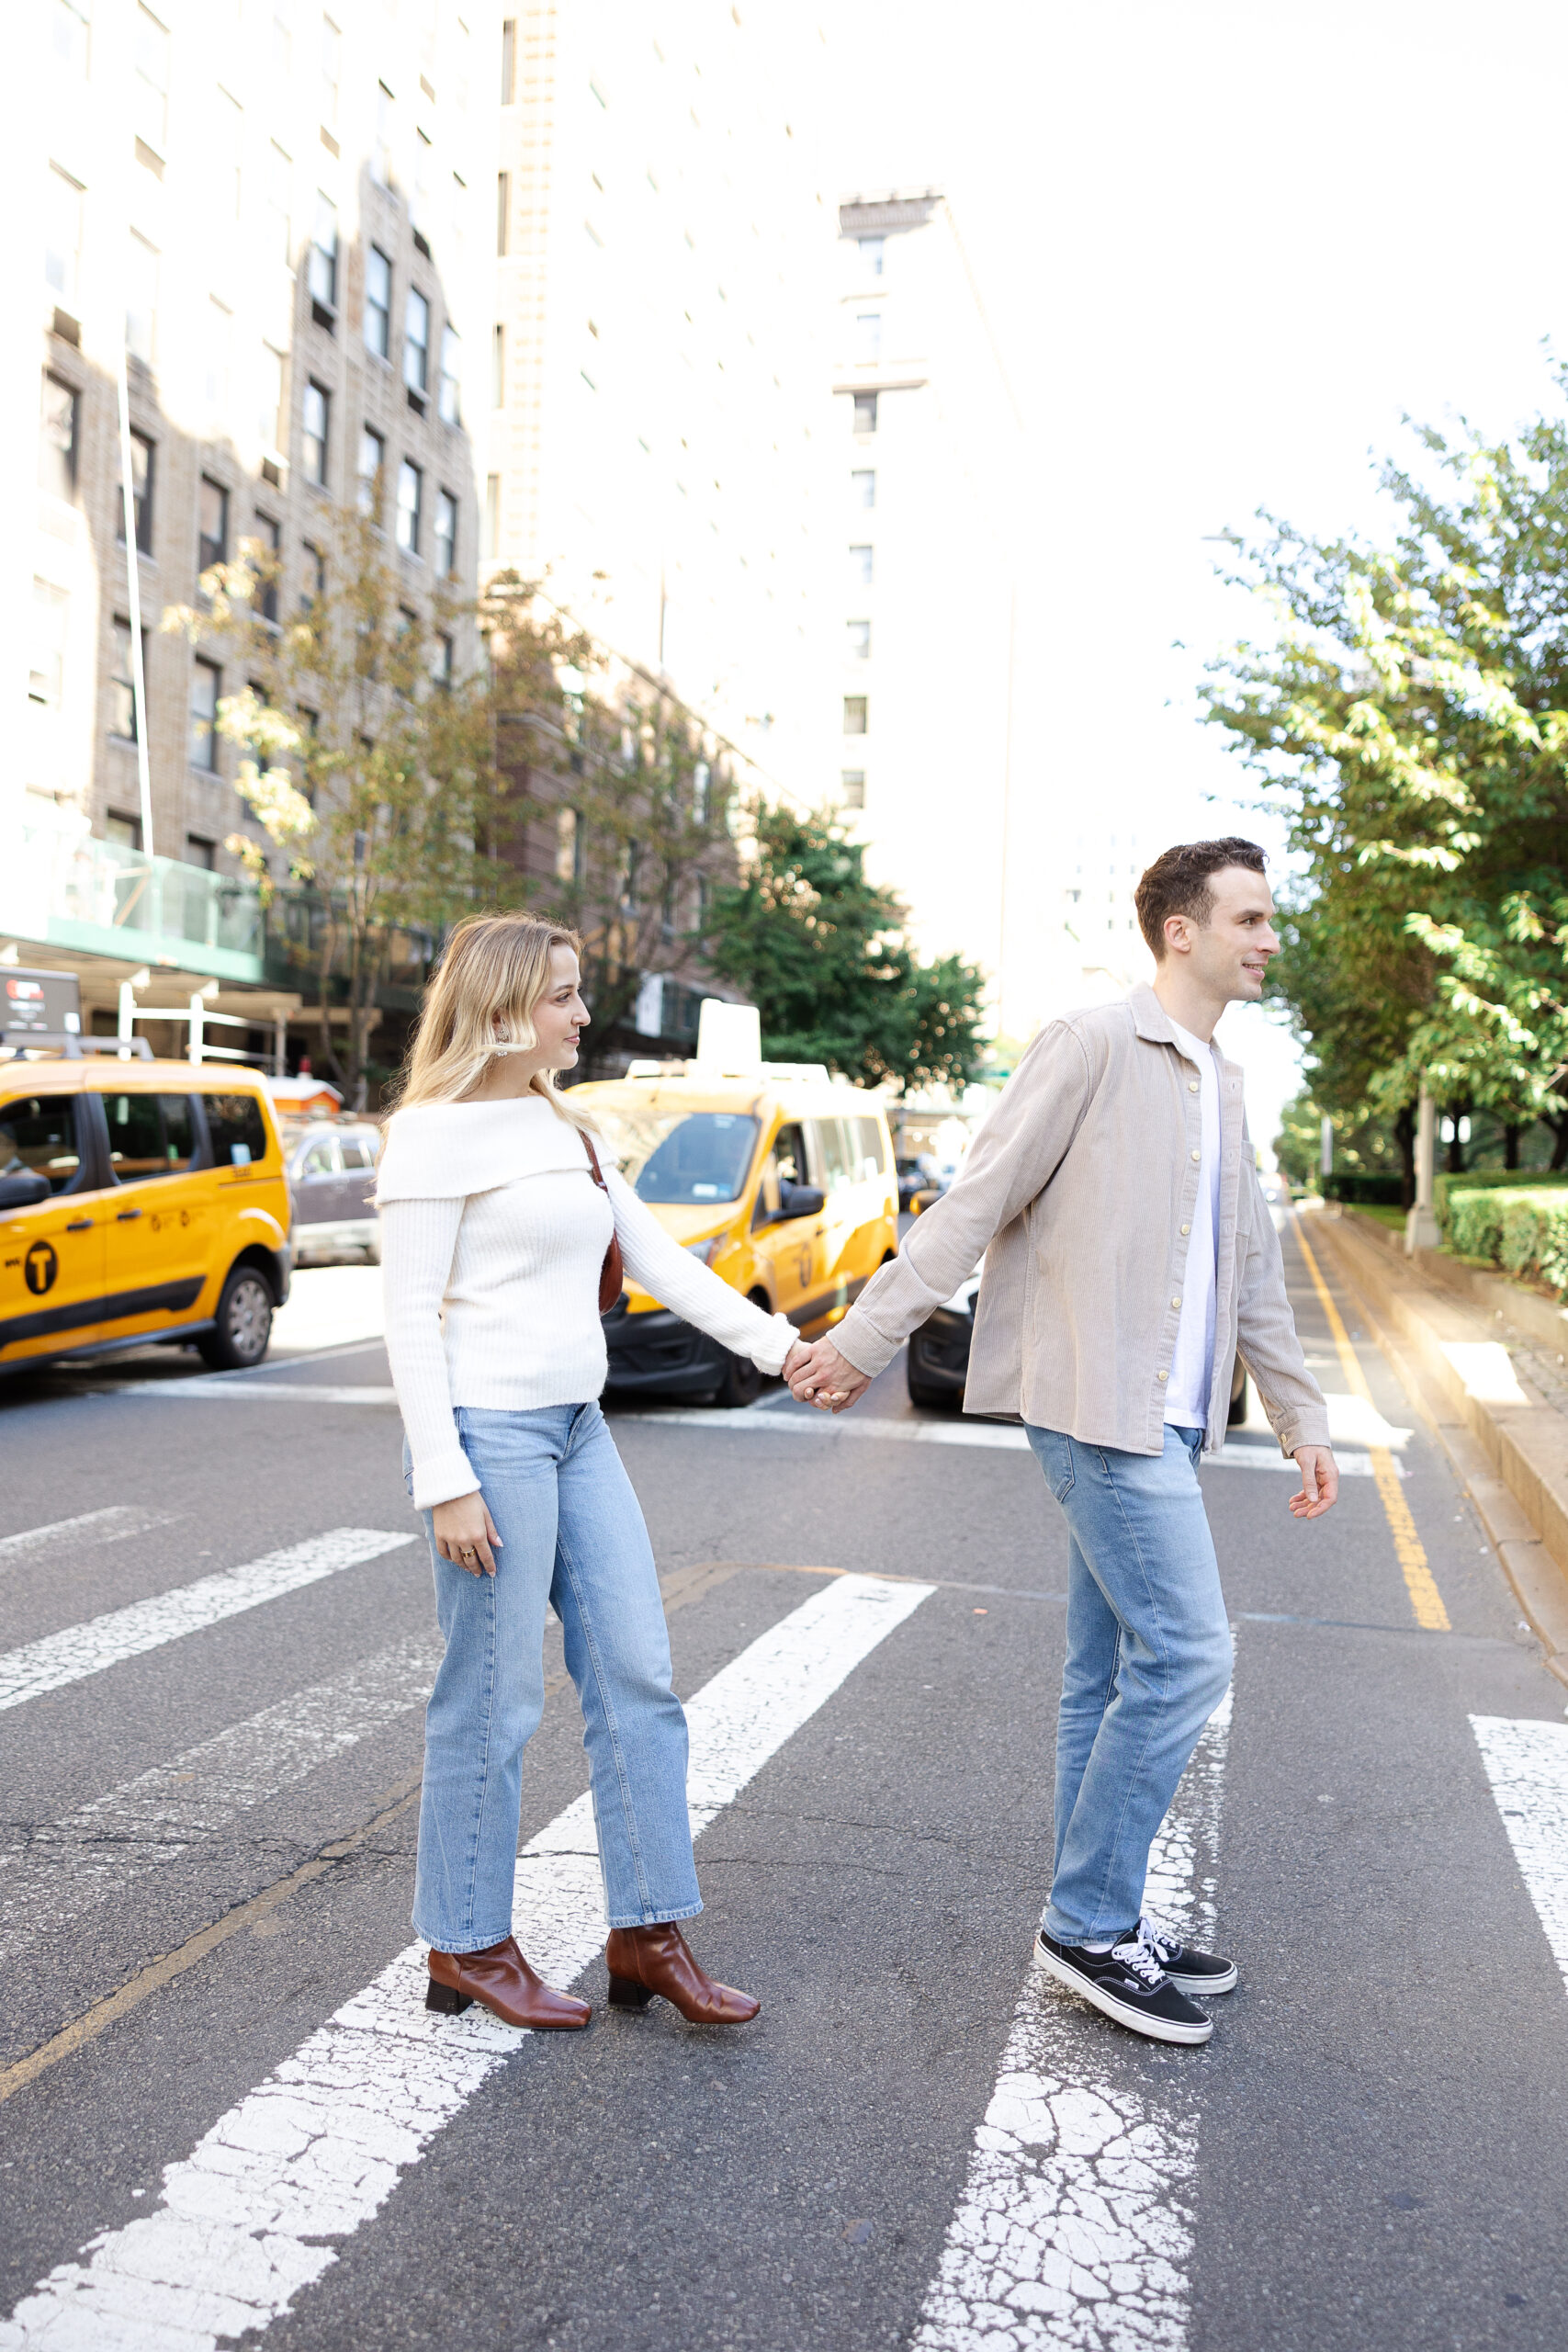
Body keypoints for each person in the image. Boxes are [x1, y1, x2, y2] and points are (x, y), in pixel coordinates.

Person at [787, 839, 1336, 2047]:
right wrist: (866, 1339)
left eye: (1268, 919)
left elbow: (1249, 1269)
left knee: (1107, 1673)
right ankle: (1085, 1922)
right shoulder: (1088, 1045)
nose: (1267, 938)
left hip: (1170, 1416)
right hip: (1093, 1403)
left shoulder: (1223, 1079)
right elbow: (975, 1200)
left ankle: (1102, 1913)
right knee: (1187, 1655)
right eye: (1247, 918)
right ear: (1179, 930)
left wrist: (1300, 1415)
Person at [378, 914, 808, 2032]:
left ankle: (647, 1933)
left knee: (638, 1676)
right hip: (489, 1437)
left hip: (579, 1428)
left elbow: (664, 1260)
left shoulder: (567, 1127)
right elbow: (408, 1318)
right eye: (563, 994)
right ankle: (467, 1940)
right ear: (502, 1006)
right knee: (493, 1698)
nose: (582, 1013)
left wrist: (786, 1352)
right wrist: (445, 1478)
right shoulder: (431, 1136)